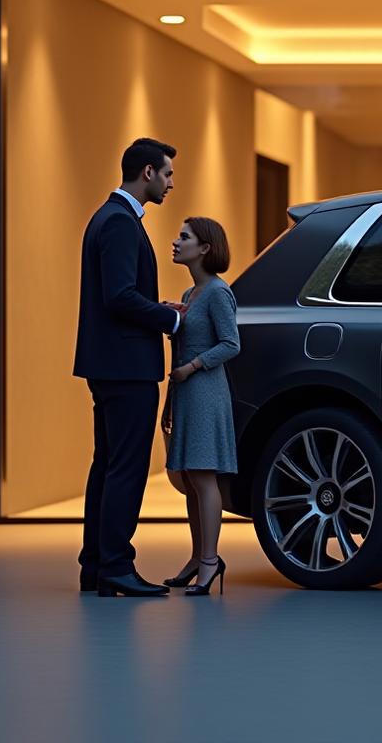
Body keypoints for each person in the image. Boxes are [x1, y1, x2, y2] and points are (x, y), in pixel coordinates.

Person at [74, 138, 185, 597]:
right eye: (167, 174)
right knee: (126, 468)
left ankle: (97, 565)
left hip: (112, 363)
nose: (171, 183)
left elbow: (120, 293)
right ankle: (115, 565)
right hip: (126, 367)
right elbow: (118, 297)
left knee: (108, 465)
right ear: (146, 173)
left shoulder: (110, 218)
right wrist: (172, 318)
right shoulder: (119, 223)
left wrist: (156, 306)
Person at [159, 217, 241, 596]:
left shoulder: (217, 293)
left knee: (205, 478)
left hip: (205, 389)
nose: (176, 242)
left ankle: (210, 560)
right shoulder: (192, 295)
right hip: (189, 392)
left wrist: (192, 366)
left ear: (205, 248)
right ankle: (199, 557)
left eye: (185, 237)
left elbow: (231, 343)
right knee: (192, 479)